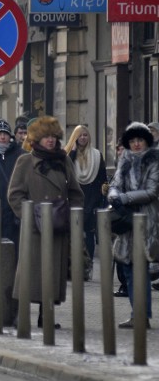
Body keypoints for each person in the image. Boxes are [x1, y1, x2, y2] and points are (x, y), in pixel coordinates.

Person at [7, 116, 84, 329]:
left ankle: (46, 316)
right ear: (36, 140)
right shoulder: (25, 161)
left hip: (58, 226)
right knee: (30, 274)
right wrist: (32, 214)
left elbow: (76, 193)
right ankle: (22, 316)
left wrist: (71, 216)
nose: (50, 141)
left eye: (53, 137)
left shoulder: (63, 160)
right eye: (45, 137)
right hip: (34, 228)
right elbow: (14, 195)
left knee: (52, 274)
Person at [108, 122, 159, 329]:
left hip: (146, 221)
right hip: (126, 222)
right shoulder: (125, 160)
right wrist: (113, 195)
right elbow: (115, 183)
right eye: (132, 141)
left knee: (141, 269)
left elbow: (152, 191)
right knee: (128, 268)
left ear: (146, 141)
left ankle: (142, 315)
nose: (136, 144)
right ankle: (135, 313)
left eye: (139, 140)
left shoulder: (154, 160)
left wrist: (124, 197)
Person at [64, 125, 107, 280]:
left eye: (85, 135)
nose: (83, 138)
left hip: (91, 199)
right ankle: (72, 266)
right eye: (80, 135)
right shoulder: (68, 154)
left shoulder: (96, 155)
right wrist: (74, 151)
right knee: (73, 235)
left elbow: (102, 178)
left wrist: (98, 200)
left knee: (88, 235)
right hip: (73, 199)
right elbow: (65, 174)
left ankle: (86, 267)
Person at [0, 119, 25, 249]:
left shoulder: (21, 155)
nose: (2, 137)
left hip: (13, 211)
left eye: (5, 133)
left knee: (13, 248)